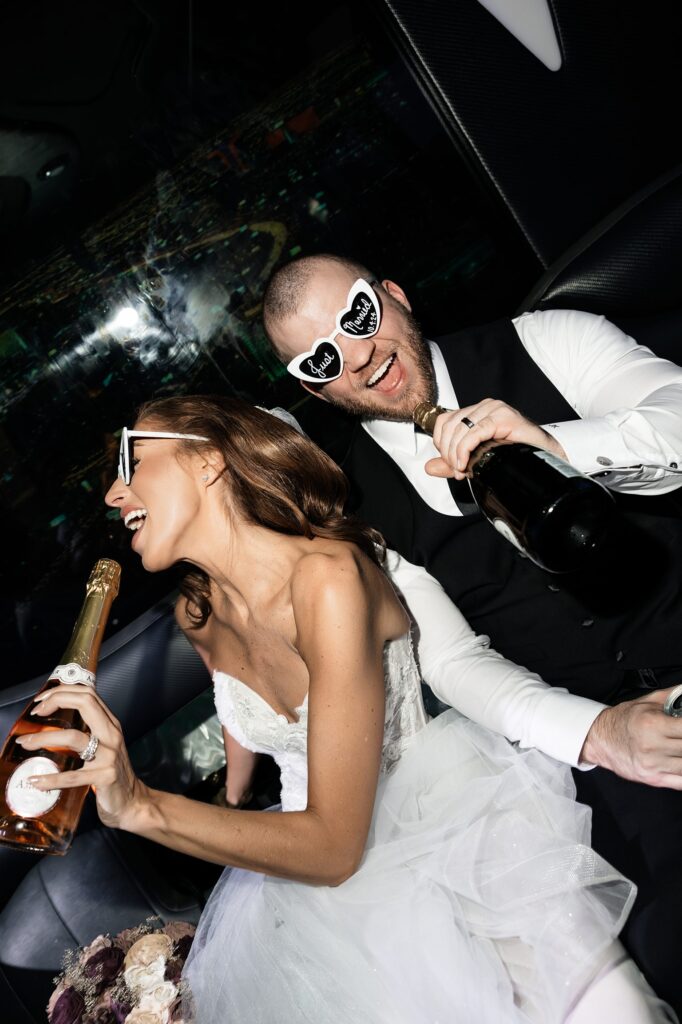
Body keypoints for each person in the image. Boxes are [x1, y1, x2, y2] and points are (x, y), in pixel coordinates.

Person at [19, 396, 673, 1023]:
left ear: (207, 459)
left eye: (132, 462)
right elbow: (248, 723)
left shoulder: (332, 577)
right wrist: (235, 799)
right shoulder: (199, 611)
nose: (112, 494)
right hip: (312, 897)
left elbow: (336, 846)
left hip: (449, 827)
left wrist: (137, 802)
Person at [262, 253, 682, 1008]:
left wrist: (555, 447)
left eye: (359, 315)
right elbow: (454, 661)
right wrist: (601, 735)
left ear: (394, 293)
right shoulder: (361, 510)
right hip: (608, 739)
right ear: (313, 387)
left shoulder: (551, 339)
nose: (360, 355)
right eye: (324, 356)